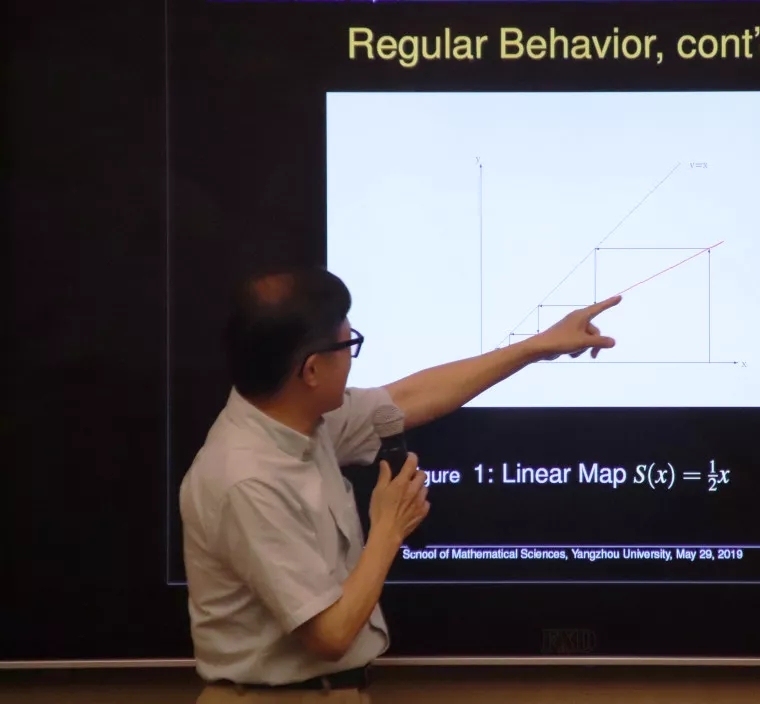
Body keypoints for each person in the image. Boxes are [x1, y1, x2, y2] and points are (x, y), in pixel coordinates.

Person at [180, 267, 619, 701]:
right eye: (348, 345)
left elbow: (409, 398)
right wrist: (388, 528)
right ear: (311, 370)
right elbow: (330, 635)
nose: (351, 358)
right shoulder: (247, 479)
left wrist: (536, 347)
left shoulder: (300, 419)